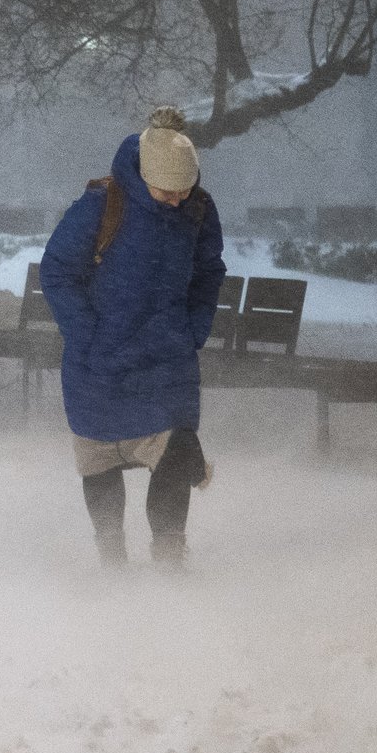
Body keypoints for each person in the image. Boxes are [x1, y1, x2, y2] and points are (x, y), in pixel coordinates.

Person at [39, 107, 225, 568]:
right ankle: (112, 558)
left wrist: (194, 327)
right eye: (167, 192)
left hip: (167, 358)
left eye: (184, 190)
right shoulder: (102, 206)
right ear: (144, 178)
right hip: (99, 360)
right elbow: (57, 271)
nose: (176, 201)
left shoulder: (198, 209)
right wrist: (86, 333)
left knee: (175, 450)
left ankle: (169, 556)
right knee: (100, 458)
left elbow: (208, 272)